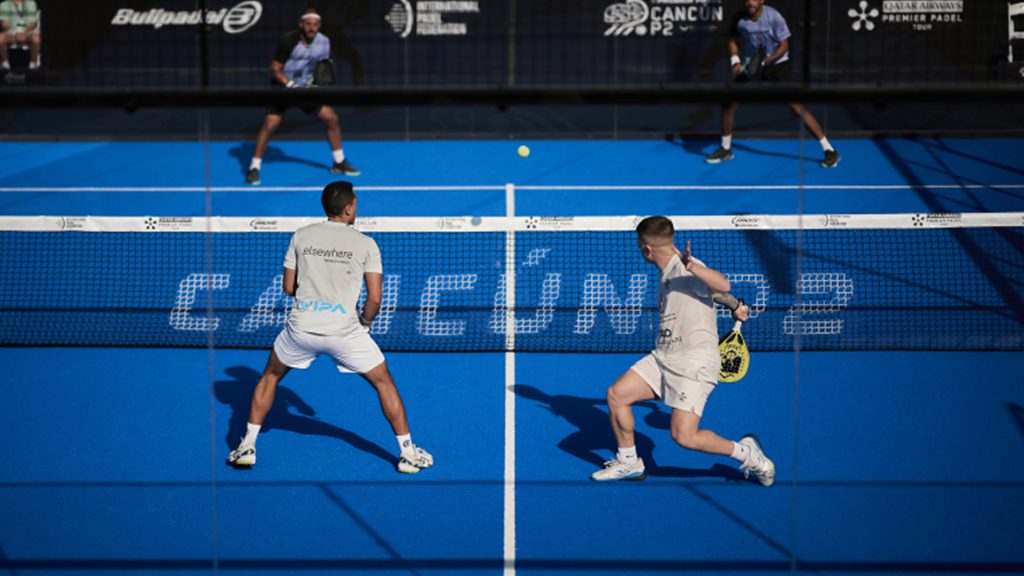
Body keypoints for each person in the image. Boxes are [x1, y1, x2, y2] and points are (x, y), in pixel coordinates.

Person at [228, 181, 433, 474]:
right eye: (356, 204)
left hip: (301, 330)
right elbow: (374, 298)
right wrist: (365, 324)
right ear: (349, 209)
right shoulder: (366, 244)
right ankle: (408, 454)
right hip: (346, 333)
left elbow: (288, 288)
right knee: (383, 382)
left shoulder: (301, 236)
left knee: (270, 377)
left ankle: (247, 446)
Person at [590, 216, 775, 486]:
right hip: (664, 357)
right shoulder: (670, 272)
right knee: (617, 395)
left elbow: (722, 284)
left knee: (684, 437)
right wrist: (734, 304)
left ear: (646, 249)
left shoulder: (688, 267)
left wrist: (695, 268)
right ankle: (629, 462)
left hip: (694, 363)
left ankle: (748, 454)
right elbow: (719, 294)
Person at [704, 0, 840, 169]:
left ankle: (829, 150)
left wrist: (764, 62)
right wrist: (735, 61)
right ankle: (726, 149)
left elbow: (784, 46)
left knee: (796, 108)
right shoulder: (739, 18)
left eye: (754, 0)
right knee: (729, 104)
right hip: (753, 63)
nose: (750, 2)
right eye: (747, 0)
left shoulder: (774, 17)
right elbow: (732, 39)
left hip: (777, 65)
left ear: (761, 1)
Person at [246, 8, 359, 186]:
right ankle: (254, 167)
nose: (311, 28)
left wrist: (314, 83)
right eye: (308, 24)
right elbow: (275, 69)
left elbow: (322, 66)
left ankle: (339, 162)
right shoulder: (289, 41)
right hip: (283, 88)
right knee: (270, 125)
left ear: (319, 25)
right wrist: (290, 85)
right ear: (301, 24)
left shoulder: (324, 42)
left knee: (331, 118)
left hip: (305, 88)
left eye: (315, 24)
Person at [0, 0, 40, 70]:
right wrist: (15, 32)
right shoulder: (4, 4)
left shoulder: (31, 3)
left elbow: (33, 23)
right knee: (1, 38)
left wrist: (25, 33)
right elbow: (4, 23)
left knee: (36, 38)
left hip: (27, 33)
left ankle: (33, 64)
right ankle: (5, 64)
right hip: (11, 33)